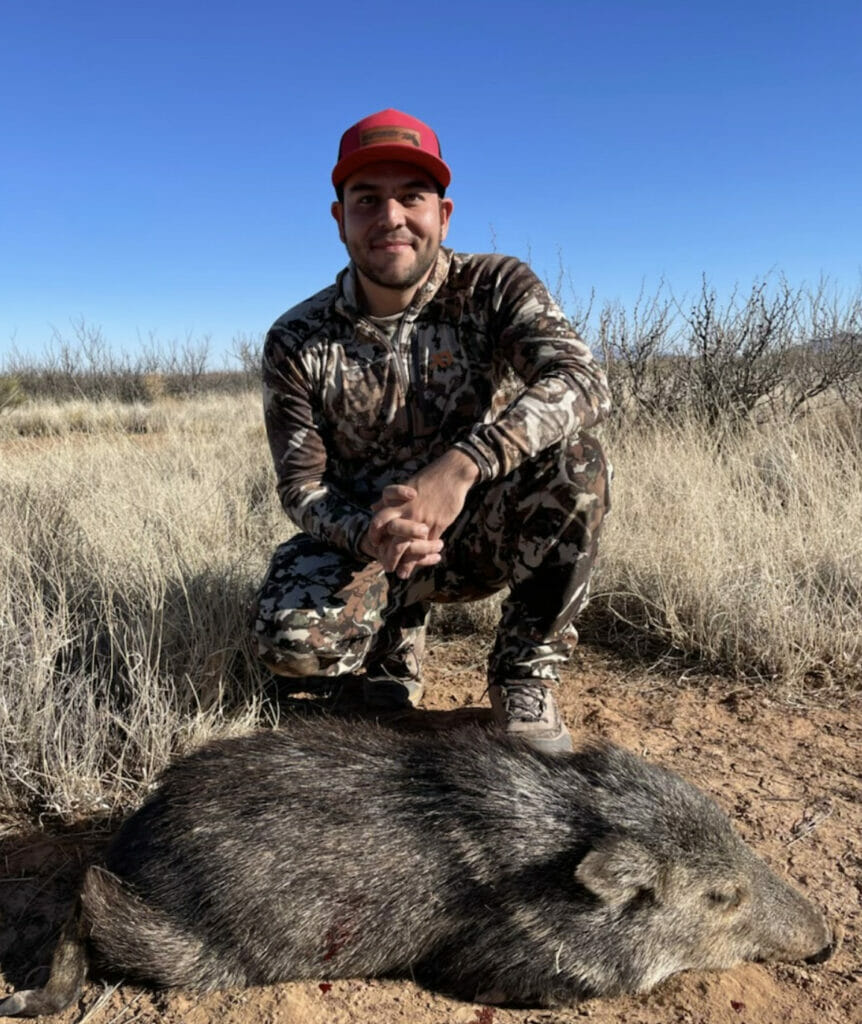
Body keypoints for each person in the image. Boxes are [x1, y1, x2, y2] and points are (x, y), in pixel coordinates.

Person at [252, 108, 611, 753]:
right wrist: (369, 532)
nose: (391, 216)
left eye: (411, 196)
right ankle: (392, 645)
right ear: (340, 220)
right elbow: (300, 487)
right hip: (371, 542)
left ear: (442, 214)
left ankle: (523, 675)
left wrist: (464, 465)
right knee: (294, 645)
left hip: (476, 533)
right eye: (367, 199)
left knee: (576, 459)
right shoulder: (295, 338)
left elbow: (583, 380)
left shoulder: (495, 286)